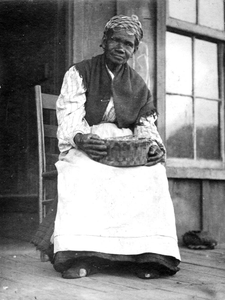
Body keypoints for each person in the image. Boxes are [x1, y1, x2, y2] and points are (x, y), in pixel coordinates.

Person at [32, 15, 180, 279]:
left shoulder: (137, 84)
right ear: (104, 41)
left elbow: (146, 123)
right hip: (90, 139)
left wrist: (154, 146)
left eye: (129, 44)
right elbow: (69, 115)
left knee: (152, 173)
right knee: (81, 171)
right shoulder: (79, 72)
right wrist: (80, 138)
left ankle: (149, 256)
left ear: (134, 50)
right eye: (116, 40)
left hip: (127, 145)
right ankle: (80, 255)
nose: (121, 47)